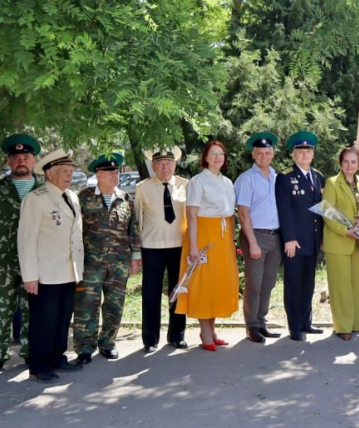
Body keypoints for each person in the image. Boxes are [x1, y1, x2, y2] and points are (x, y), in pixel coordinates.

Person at [18, 149, 84, 383]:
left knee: (63, 317)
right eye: (64, 171)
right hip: (45, 273)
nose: (69, 175)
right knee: (43, 321)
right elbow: (27, 239)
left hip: (68, 270)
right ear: (48, 173)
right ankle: (39, 365)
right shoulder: (36, 199)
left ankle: (57, 357)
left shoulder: (72, 197)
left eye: (71, 171)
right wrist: (30, 275)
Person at [72, 152, 141, 364]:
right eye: (109, 172)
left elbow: (133, 229)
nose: (115, 175)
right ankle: (84, 346)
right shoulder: (83, 198)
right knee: (86, 304)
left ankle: (108, 343)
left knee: (115, 304)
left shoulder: (126, 199)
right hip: (90, 262)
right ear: (98, 174)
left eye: (116, 171)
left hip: (119, 262)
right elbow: (74, 230)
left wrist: (136, 256)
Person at [175, 141, 239, 351]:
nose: (217, 157)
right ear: (206, 157)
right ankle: (204, 331)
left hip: (222, 236)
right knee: (203, 283)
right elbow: (191, 215)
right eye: (213, 154)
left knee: (217, 282)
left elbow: (230, 213)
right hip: (203, 234)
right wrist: (194, 246)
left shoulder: (227, 182)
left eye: (221, 153)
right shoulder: (197, 181)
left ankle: (213, 331)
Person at [135, 147, 188, 353]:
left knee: (178, 292)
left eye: (169, 163)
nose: (165, 167)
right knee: (151, 293)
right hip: (152, 247)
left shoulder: (186, 186)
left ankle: (177, 335)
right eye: (160, 163)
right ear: (153, 165)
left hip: (178, 246)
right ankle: (150, 339)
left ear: (175, 165)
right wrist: (136, 251)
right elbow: (138, 219)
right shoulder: (143, 187)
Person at [276, 131, 325, 341]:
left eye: (309, 150)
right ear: (294, 154)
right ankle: (294, 326)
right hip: (294, 242)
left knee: (308, 283)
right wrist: (289, 238)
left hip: (313, 241)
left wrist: (322, 237)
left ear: (313, 154)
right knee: (294, 284)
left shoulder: (318, 176)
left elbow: (321, 210)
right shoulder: (285, 177)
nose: (305, 154)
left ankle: (306, 322)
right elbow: (284, 210)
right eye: (301, 151)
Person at [235, 132, 283, 344]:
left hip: (275, 237)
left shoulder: (276, 176)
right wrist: (252, 242)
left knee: (269, 282)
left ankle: (261, 322)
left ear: (272, 154)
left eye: (268, 153)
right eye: (260, 153)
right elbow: (243, 213)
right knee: (254, 283)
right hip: (255, 236)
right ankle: (251, 325)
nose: (264, 156)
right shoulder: (247, 179)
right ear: (253, 155)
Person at [0, 133, 41, 370]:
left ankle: (30, 351)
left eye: (26, 157)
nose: (21, 162)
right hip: (3, 261)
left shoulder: (44, 189)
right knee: (2, 309)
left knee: (32, 309)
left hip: (35, 262)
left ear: (34, 160)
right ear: (8, 162)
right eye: (16, 158)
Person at [323, 146, 359, 341]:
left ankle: (354, 323)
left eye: (353, 162)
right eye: (345, 162)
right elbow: (327, 212)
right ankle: (343, 326)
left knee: (353, 285)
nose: (349, 165)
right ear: (340, 164)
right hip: (338, 241)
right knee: (340, 286)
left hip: (357, 242)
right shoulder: (332, 183)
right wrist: (344, 231)